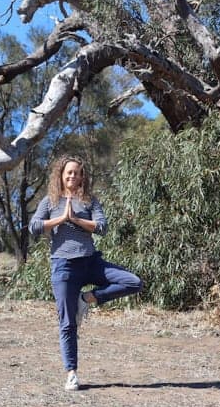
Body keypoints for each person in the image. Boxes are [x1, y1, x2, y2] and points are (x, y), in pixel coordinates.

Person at [29, 155, 143, 391]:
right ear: (61, 175)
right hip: (63, 266)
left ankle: (87, 299)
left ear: (83, 177)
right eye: (69, 172)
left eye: (77, 172)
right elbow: (34, 227)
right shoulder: (50, 201)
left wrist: (77, 220)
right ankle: (71, 372)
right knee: (67, 323)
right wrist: (61, 219)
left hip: (91, 262)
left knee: (134, 282)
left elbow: (102, 227)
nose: (73, 176)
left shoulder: (89, 201)